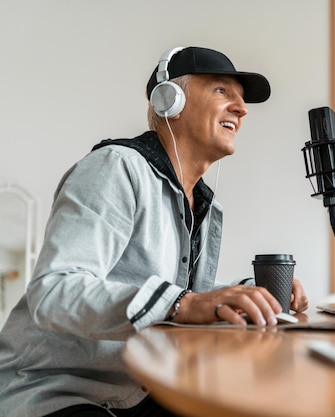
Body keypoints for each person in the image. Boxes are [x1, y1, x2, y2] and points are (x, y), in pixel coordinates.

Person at [0, 46, 308, 417]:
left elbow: (175, 296)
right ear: (170, 101)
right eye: (222, 91)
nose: (241, 109)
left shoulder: (201, 204)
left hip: (138, 389)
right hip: (54, 389)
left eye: (242, 101)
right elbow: (55, 291)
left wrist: (244, 296)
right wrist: (185, 304)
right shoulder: (115, 169)